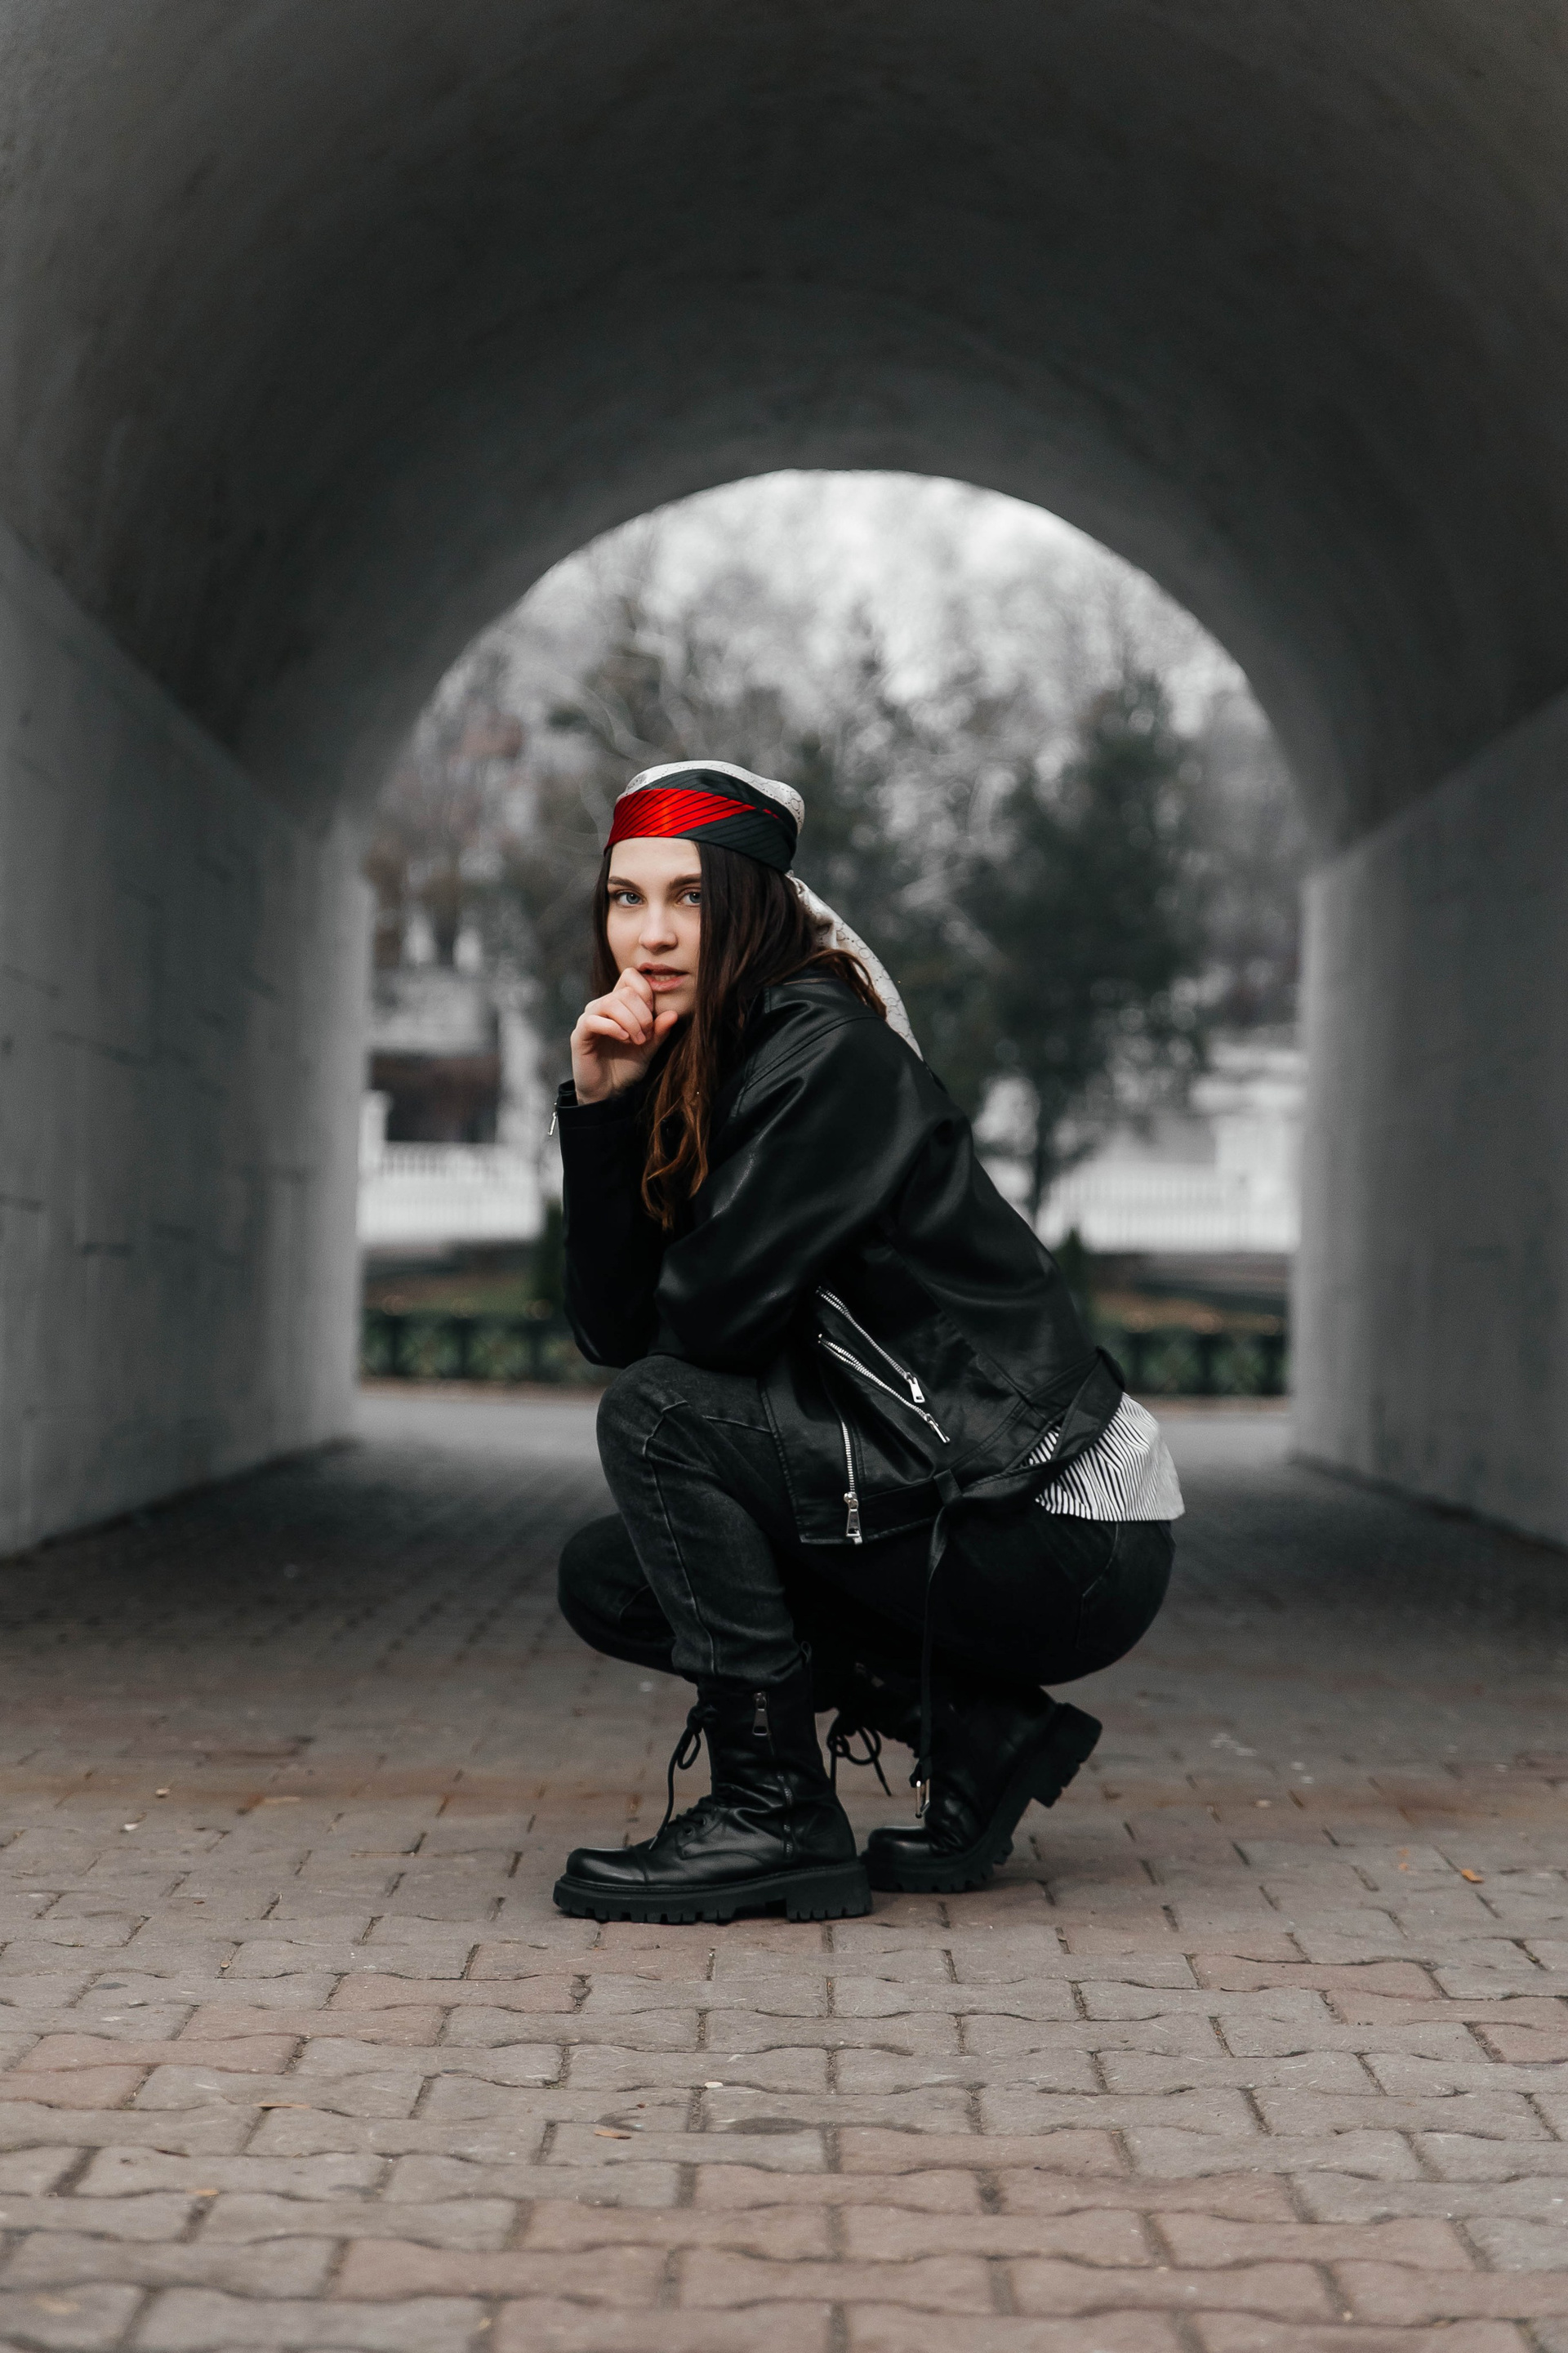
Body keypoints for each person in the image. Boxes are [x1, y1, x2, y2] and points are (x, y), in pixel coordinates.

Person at [551, 760, 1180, 1925]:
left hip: (1056, 1519)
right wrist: (601, 1109)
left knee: (658, 1419)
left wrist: (630, 1143)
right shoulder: (714, 1052)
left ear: (754, 906)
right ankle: (978, 1731)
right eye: (625, 899)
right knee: (616, 1576)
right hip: (948, 1489)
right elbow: (615, 1326)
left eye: (690, 897)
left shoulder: (824, 1052)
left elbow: (698, 1333)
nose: (651, 934)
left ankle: (774, 1813)